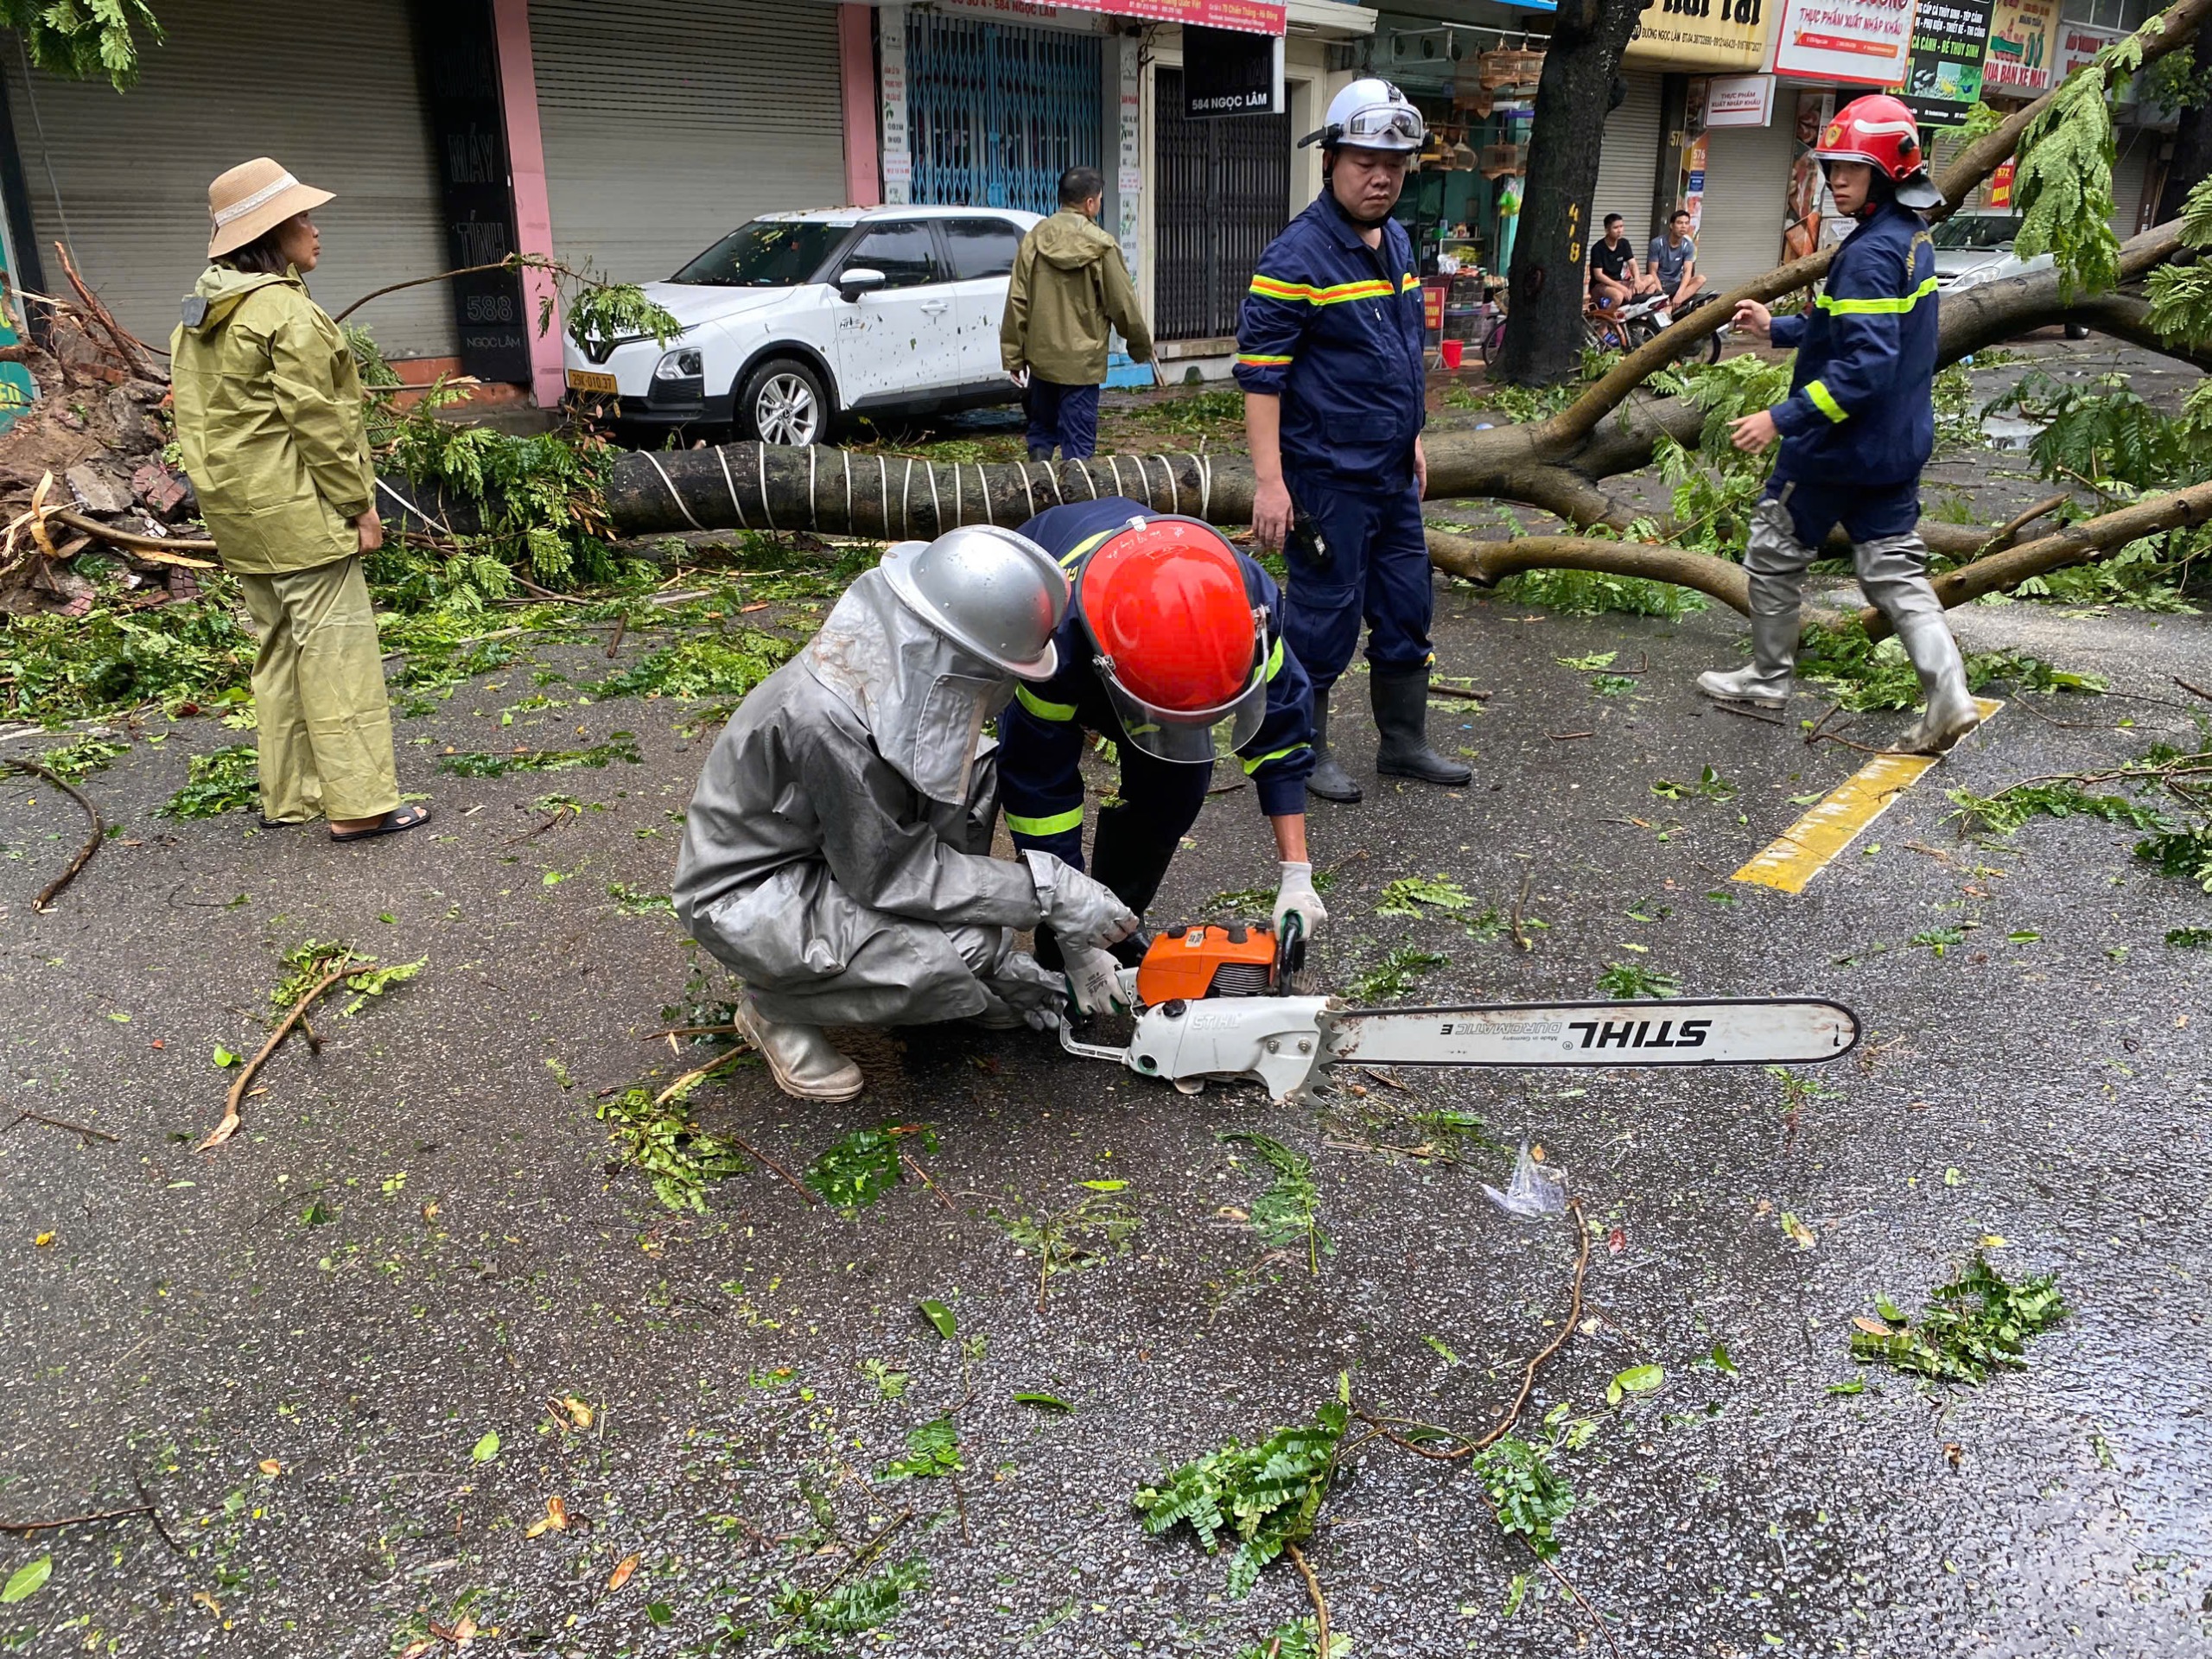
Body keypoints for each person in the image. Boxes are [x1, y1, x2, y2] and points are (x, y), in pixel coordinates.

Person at [673, 525, 1139, 1102]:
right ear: (963, 653)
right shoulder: (826, 718)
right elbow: (888, 873)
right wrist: (1044, 898)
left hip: (831, 858)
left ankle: (949, 980)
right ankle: (772, 1007)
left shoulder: (898, 662)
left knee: (980, 778)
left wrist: (1025, 947)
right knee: (957, 952)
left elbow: (920, 820)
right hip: (752, 891)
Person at [1709, 93, 1979, 756]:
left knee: (1774, 548)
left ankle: (1767, 680)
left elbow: (1863, 368)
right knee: (1893, 571)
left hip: (1835, 450)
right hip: (1896, 446)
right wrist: (1780, 328)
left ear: (1888, 173)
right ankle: (1950, 695)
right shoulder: (1908, 240)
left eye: (1851, 169)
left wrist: (1781, 418)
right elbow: (1851, 329)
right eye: (1831, 167)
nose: (1836, 181)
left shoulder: (1865, 254)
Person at [169, 157, 425, 842]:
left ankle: (293, 795)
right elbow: (323, 423)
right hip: (302, 514)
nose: (317, 231)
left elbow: (196, 420)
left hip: (241, 517)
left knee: (278, 653)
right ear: (273, 231)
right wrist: (360, 505)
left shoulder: (199, 312)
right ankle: (360, 805)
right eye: (304, 219)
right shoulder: (284, 311)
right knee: (337, 652)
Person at [1235, 79, 1469, 806]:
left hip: (1393, 473)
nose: (1382, 176)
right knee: (1323, 616)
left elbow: (1401, 350)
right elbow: (1262, 382)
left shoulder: (1395, 240)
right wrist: (1271, 484)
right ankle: (1302, 752)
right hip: (1327, 479)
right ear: (1331, 159)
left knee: (1406, 606)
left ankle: (1403, 744)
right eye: (1366, 160)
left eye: (1395, 164)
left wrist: (1416, 439)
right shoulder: (1294, 258)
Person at [995, 499, 1325, 1014]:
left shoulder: (1248, 602)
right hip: (1075, 623)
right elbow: (1038, 789)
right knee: (1039, 805)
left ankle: (1117, 924)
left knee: (1175, 793)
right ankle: (1069, 946)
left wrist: (1296, 873)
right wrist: (1069, 934)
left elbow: (1282, 732)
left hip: (1162, 659)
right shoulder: (1052, 640)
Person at [1001, 165, 1153, 463]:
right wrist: (1139, 346)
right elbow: (1123, 304)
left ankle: (1039, 495)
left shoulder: (1033, 240)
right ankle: (1076, 503)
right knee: (1079, 446)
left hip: (1041, 362)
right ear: (1090, 203)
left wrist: (1013, 356)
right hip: (1081, 367)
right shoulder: (1103, 245)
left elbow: (1017, 300)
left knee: (1041, 434)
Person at [1647, 209, 1705, 312]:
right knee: (1650, 285)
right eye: (1679, 223)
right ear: (1671, 225)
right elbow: (1652, 271)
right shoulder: (1657, 243)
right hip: (1659, 284)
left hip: (1675, 284)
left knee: (1701, 279)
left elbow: (1688, 271)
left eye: (1686, 223)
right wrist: (1662, 295)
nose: (1683, 226)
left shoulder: (1688, 246)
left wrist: (1679, 294)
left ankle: (1670, 308)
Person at [1586, 213, 1643, 314]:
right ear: (1607, 230)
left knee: (1650, 280)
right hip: (1601, 286)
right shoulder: (1597, 248)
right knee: (1618, 296)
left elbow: (1633, 264)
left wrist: (1637, 280)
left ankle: (1634, 315)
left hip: (1619, 282)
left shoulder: (1624, 243)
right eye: (1615, 227)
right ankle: (1603, 327)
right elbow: (1598, 275)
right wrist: (1622, 288)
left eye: (1621, 226)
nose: (1620, 230)